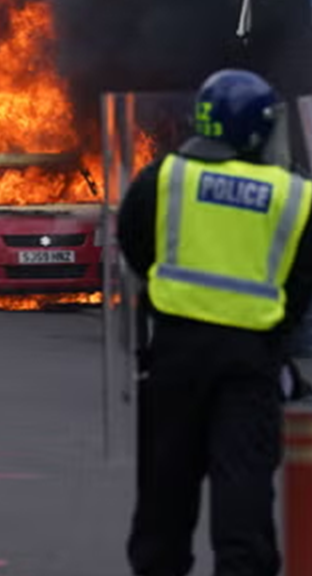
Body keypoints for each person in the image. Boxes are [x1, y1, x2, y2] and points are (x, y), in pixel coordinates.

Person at [117, 69, 312, 576]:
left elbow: (134, 243)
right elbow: (303, 281)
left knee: (165, 495)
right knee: (243, 494)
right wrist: (274, 328)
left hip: (175, 355)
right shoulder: (292, 195)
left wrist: (168, 298)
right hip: (250, 362)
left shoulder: (164, 177)